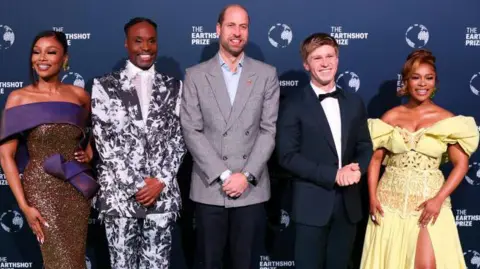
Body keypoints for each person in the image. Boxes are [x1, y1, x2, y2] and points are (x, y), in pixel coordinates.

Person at [180, 4, 280, 269]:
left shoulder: (266, 74)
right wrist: (225, 175)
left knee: (245, 263)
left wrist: (245, 176)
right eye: (231, 26)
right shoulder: (195, 75)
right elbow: (191, 130)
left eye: (243, 26)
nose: (237, 32)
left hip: (251, 189)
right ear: (218, 29)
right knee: (210, 262)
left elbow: (268, 130)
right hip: (211, 187)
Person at [361, 49, 479, 268]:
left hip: (429, 202)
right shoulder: (391, 116)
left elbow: (461, 165)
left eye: (429, 78)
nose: (422, 83)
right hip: (389, 202)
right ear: (406, 82)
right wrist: (372, 198)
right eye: (416, 77)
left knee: (426, 265)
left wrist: (438, 200)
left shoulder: (447, 120)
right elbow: (375, 160)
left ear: (435, 82)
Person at [90, 17, 186, 269]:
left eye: (152, 41)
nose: (146, 47)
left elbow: (180, 138)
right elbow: (104, 141)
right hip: (120, 197)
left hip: (161, 196)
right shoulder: (104, 86)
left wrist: (161, 181)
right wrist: (137, 185)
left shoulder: (175, 86)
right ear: (126, 44)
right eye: (138, 41)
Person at [275, 33, 372, 269]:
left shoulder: (354, 101)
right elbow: (287, 156)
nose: (325, 63)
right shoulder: (293, 104)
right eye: (317, 58)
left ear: (337, 60)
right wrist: (333, 175)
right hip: (311, 206)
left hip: (349, 207)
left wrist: (357, 170)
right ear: (306, 64)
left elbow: (365, 145)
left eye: (330, 56)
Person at [0, 30, 95, 269]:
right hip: (41, 190)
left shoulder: (80, 96)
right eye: (36, 52)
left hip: (75, 189)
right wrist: (24, 206)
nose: (42, 58)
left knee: (74, 261)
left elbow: (104, 129)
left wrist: (90, 153)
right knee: (58, 261)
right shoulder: (18, 98)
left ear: (65, 59)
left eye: (51, 52)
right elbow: (6, 156)